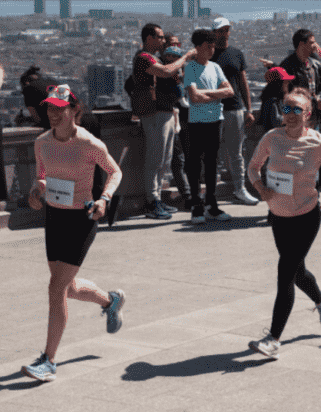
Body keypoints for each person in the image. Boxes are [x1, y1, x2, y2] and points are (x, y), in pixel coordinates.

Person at [22, 85, 124, 382]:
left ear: (74, 110)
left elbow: (115, 171)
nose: (53, 114)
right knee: (65, 287)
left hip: (82, 217)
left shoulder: (90, 143)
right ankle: (110, 300)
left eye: (60, 108)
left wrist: (104, 199)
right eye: (50, 108)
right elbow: (42, 176)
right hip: (54, 216)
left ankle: (48, 360)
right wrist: (35, 190)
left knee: (56, 288)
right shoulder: (42, 142)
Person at [246, 88, 321, 360]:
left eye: (298, 110)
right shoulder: (272, 138)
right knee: (296, 272)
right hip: (278, 217)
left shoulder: (317, 143)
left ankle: (273, 339)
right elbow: (252, 167)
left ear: (308, 114)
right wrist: (261, 188)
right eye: (287, 109)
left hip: (307, 216)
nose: (291, 115)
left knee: (285, 272)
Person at [132, 23, 196, 220]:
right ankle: (151, 202)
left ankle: (157, 199)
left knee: (163, 160)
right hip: (153, 113)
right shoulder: (143, 58)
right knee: (155, 159)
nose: (163, 40)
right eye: (159, 37)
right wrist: (185, 57)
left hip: (166, 111)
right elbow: (166, 72)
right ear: (149, 38)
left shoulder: (153, 57)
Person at [183, 29, 234, 224]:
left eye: (213, 46)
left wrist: (207, 94)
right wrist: (216, 94)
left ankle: (211, 204)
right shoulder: (190, 68)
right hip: (197, 123)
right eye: (208, 46)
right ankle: (197, 206)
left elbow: (230, 91)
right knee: (195, 165)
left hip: (215, 121)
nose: (212, 50)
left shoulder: (216, 67)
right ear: (197, 47)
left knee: (212, 164)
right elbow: (194, 98)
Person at [212, 17, 260, 206]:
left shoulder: (236, 54)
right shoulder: (208, 54)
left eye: (226, 30)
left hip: (234, 108)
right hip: (212, 109)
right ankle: (211, 193)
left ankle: (240, 189)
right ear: (214, 33)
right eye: (220, 30)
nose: (223, 34)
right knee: (212, 153)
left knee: (236, 152)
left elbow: (243, 83)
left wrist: (248, 108)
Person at [157, 44, 192, 209]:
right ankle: (187, 196)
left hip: (182, 120)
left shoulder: (177, 73)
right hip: (171, 117)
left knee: (182, 160)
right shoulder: (163, 72)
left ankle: (189, 196)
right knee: (173, 160)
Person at [258, 66, 294, 131]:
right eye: (286, 81)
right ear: (278, 84)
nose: (288, 83)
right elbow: (276, 121)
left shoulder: (275, 99)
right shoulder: (272, 102)